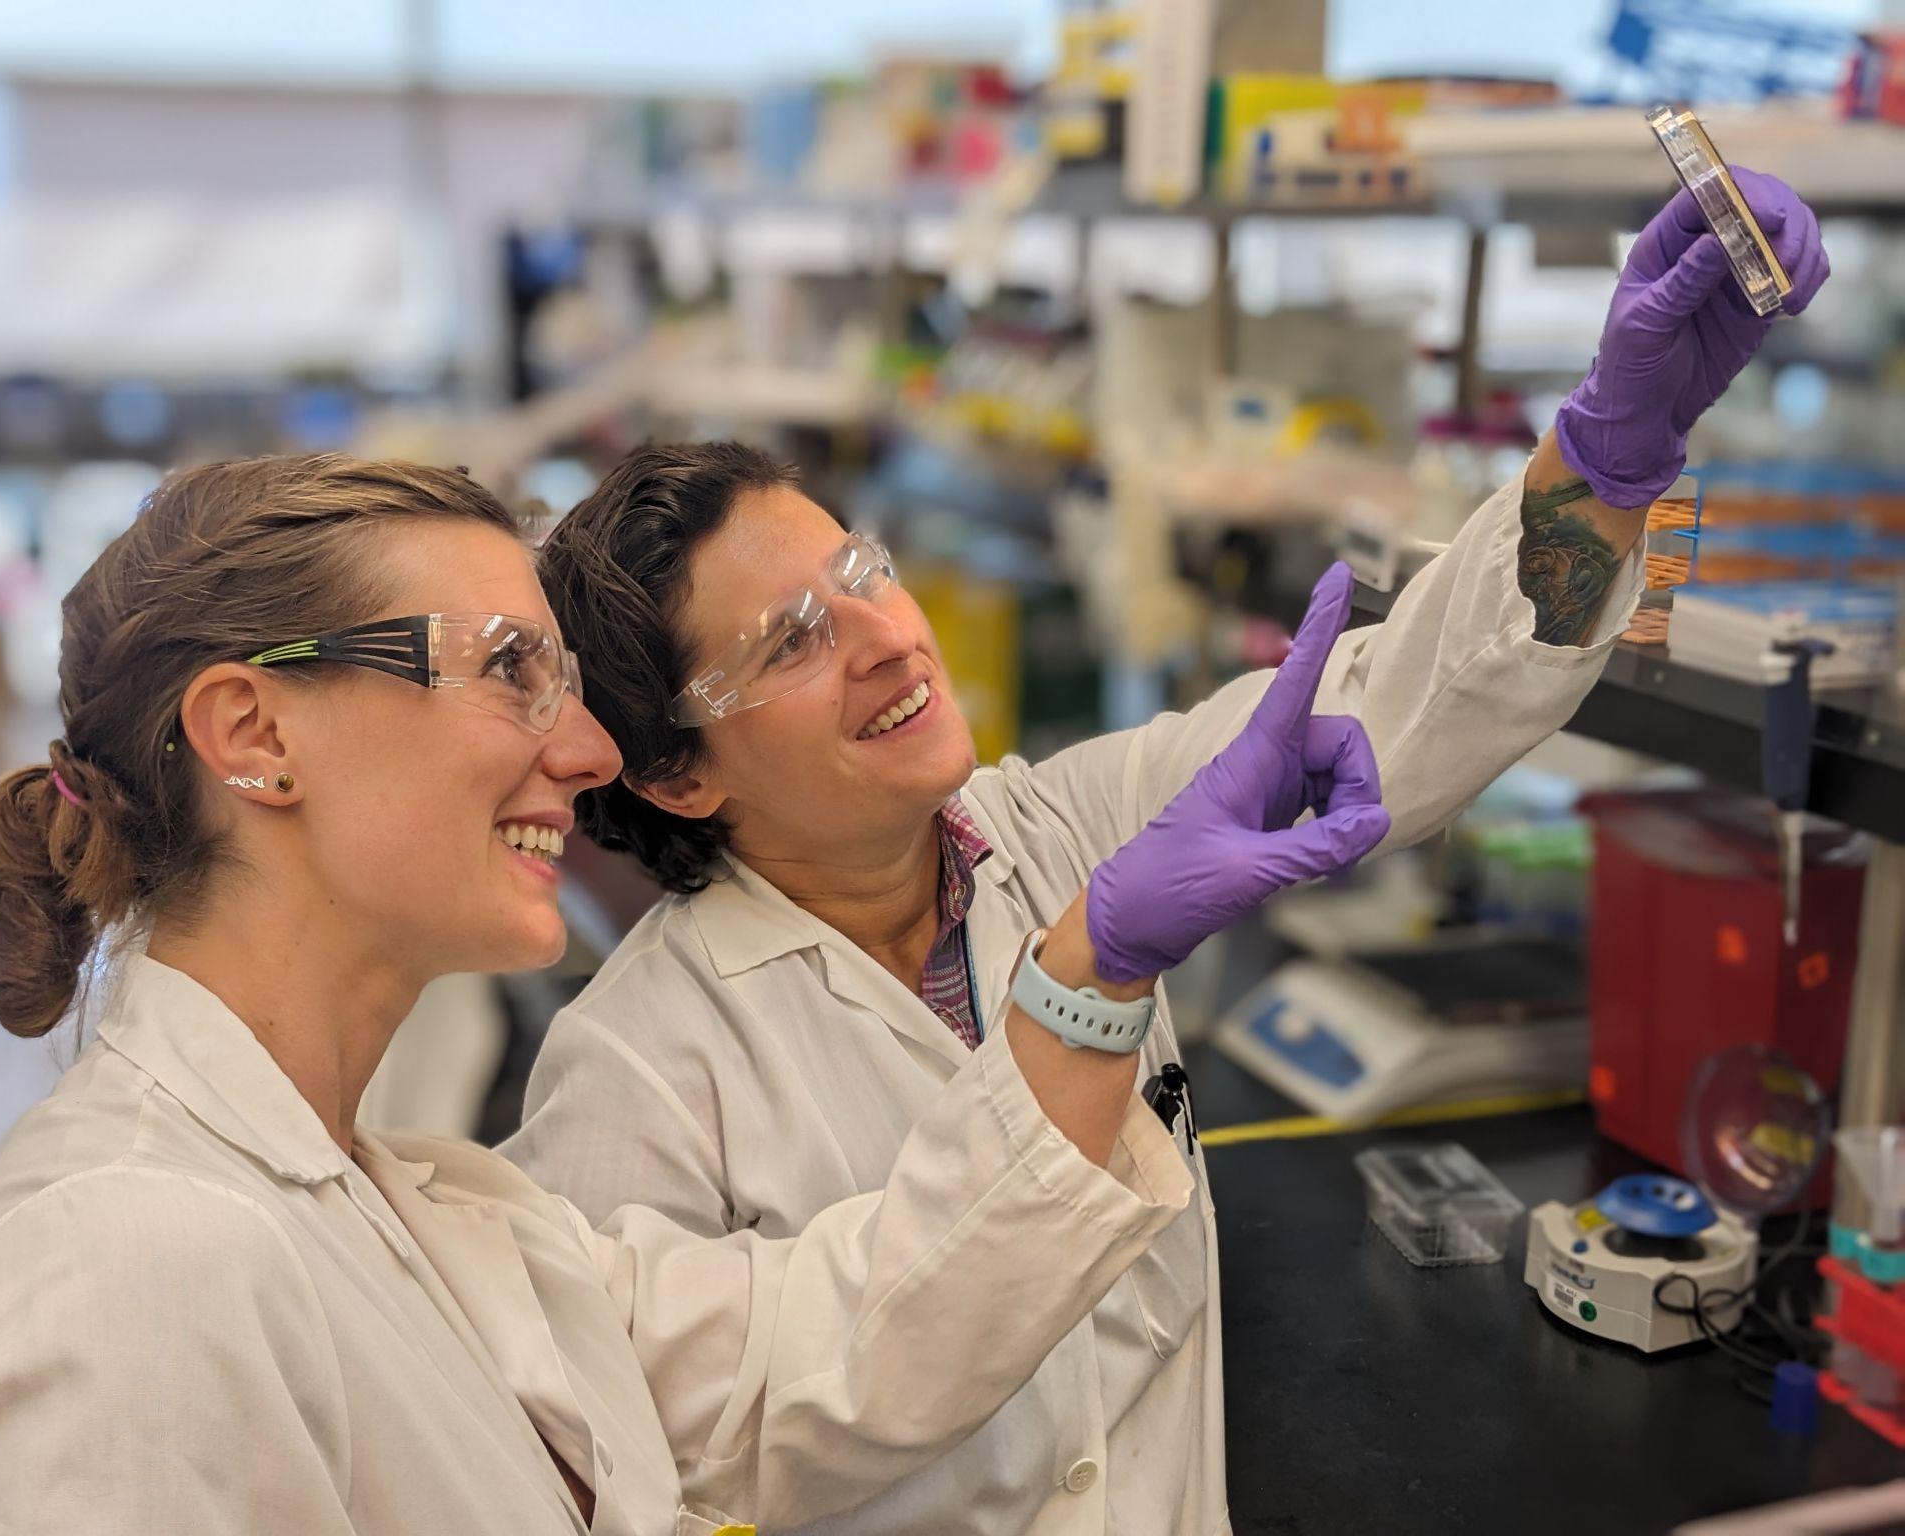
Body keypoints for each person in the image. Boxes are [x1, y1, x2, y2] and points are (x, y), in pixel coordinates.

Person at [506, 170, 1830, 1535]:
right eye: (792, 640)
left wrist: (1608, 453)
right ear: (673, 772)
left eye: (862, 574)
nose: (888, 637)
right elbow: (687, 1445)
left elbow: (1403, 711)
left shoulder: (1065, 831)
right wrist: (1090, 986)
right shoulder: (633, 1072)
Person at [0, 454, 1378, 1536]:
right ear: (254, 731)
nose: (588, 755)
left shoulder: (439, 1215)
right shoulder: (120, 1261)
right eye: (511, 669)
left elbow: (849, 1346)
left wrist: (1092, 972)